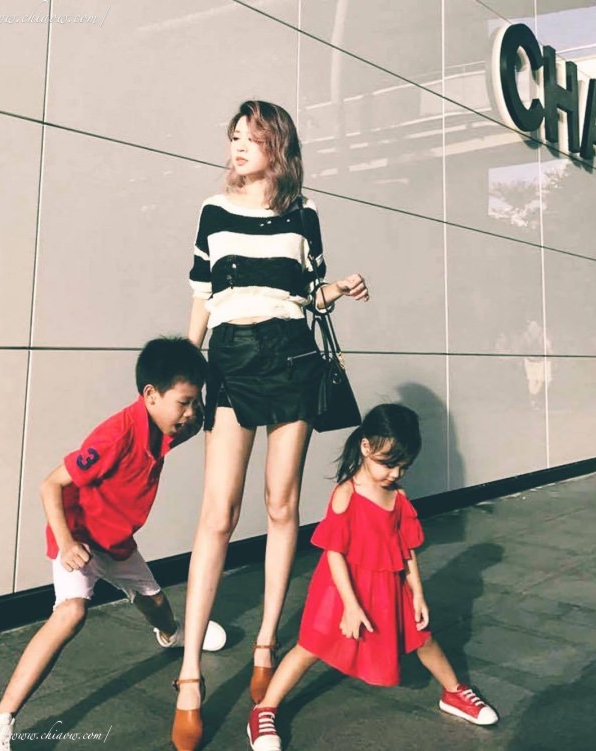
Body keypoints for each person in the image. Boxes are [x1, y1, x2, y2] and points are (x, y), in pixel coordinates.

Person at [172, 100, 370, 751]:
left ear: (276, 147)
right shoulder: (213, 210)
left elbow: (304, 296)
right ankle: (190, 675)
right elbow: (203, 296)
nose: (237, 147)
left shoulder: (304, 214)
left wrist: (338, 289)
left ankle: (264, 642)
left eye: (250, 138)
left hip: (291, 358)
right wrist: (184, 372)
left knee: (281, 504)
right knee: (218, 512)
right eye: (233, 136)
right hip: (230, 358)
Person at [0, 337, 226, 751]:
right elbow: (50, 485)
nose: (190, 412)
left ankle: (171, 634)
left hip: (117, 540)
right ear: (150, 395)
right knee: (71, 613)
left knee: (157, 605)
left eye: (195, 402)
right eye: (184, 403)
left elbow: (199, 419)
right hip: (81, 538)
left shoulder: (169, 426)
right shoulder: (115, 436)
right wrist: (67, 542)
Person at [246, 404, 499, 751]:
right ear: (366, 446)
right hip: (340, 588)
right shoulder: (346, 494)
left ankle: (454, 693)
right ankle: (264, 710)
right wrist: (350, 606)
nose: (395, 473)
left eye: (403, 466)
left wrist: (418, 593)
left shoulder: (399, 497)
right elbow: (334, 552)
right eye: (388, 463)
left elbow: (407, 549)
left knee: (422, 638)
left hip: (387, 586)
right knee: (311, 646)